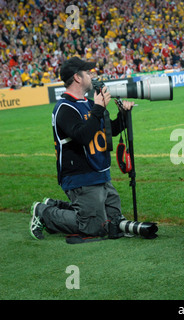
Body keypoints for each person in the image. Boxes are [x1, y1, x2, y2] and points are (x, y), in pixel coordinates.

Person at [29, 57, 134, 240]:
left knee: (114, 220)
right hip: (79, 176)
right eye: (87, 73)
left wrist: (123, 115)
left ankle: (57, 205)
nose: (92, 76)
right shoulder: (64, 108)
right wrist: (99, 109)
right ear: (77, 78)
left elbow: (107, 132)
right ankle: (43, 212)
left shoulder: (91, 103)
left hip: (100, 172)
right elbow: (83, 136)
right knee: (94, 227)